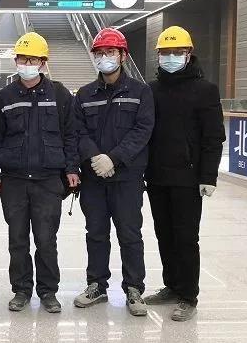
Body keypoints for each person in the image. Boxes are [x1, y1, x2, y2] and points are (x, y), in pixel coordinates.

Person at [0, 32, 80, 314]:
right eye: (22, 59)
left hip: (48, 181)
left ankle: (48, 291)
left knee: (46, 240)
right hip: (14, 180)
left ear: (42, 62)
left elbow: (70, 135)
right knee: (17, 240)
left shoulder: (60, 94)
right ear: (16, 61)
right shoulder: (4, 96)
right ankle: (21, 289)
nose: (26, 64)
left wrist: (72, 168)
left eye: (32, 59)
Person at [144, 26, 225, 322]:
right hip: (157, 177)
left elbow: (214, 137)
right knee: (164, 234)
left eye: (177, 52)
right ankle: (172, 285)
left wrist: (208, 176)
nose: (171, 57)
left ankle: (188, 295)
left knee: (186, 238)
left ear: (189, 54)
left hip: (188, 179)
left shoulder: (205, 90)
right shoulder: (151, 90)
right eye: (165, 52)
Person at [72, 27, 154, 317]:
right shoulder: (84, 94)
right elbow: (78, 131)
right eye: (100, 53)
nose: (104, 57)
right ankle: (96, 284)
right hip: (94, 177)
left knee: (130, 234)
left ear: (122, 56)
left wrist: (114, 158)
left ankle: (134, 288)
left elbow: (143, 130)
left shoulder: (140, 92)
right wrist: (96, 158)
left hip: (127, 178)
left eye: (110, 52)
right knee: (95, 233)